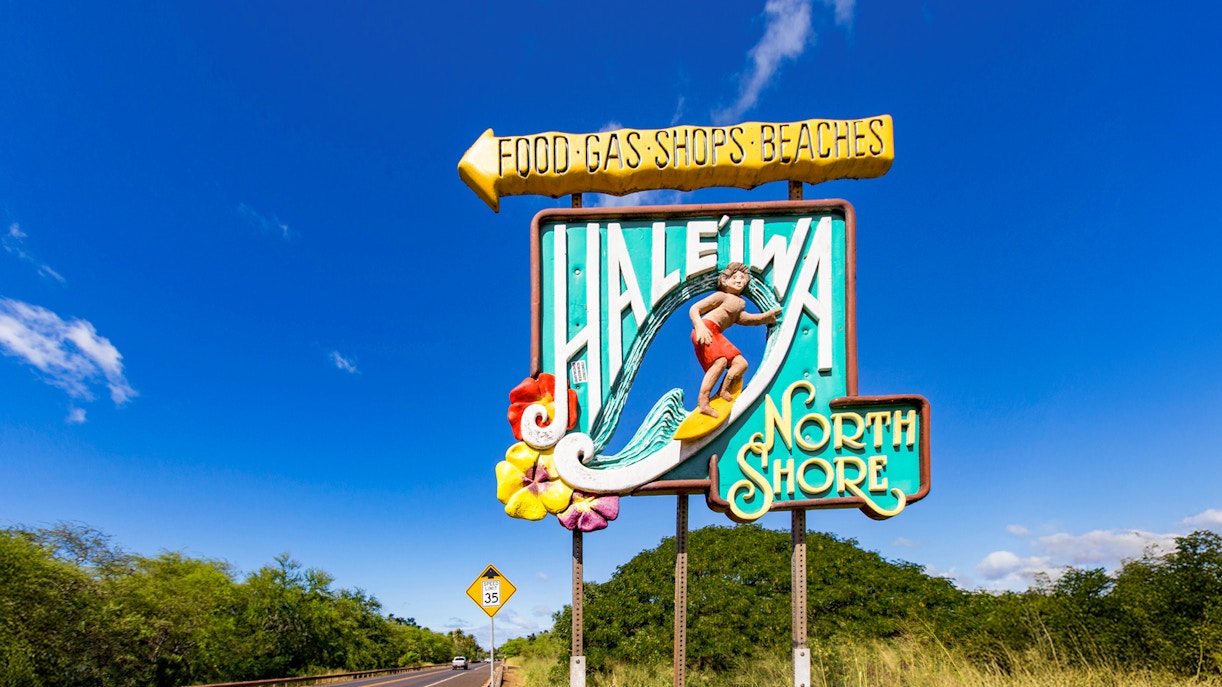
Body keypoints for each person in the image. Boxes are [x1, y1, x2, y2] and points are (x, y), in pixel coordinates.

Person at [689, 262, 780, 417]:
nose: (739, 280)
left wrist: (765, 317)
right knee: (721, 361)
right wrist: (700, 327)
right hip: (706, 329)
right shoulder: (721, 296)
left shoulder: (739, 304)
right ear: (725, 280)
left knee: (741, 364)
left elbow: (747, 319)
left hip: (717, 333)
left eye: (743, 278)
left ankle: (723, 391)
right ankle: (703, 402)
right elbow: (695, 309)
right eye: (734, 277)